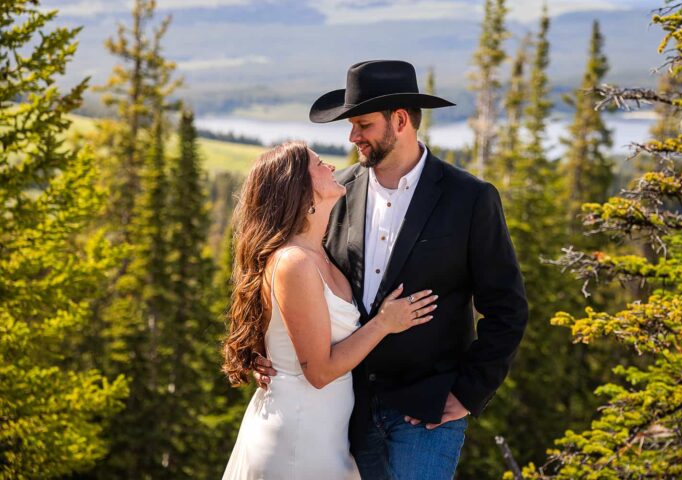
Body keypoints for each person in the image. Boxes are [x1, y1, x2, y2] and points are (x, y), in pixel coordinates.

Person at [254, 60, 529, 479]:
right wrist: (261, 348)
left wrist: (469, 392)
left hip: (426, 412)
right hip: (345, 408)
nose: (352, 136)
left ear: (399, 120)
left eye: (362, 124)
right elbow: (286, 268)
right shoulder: (334, 194)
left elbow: (507, 307)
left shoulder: (469, 199)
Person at [221, 141, 438, 479]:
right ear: (300, 188)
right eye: (320, 164)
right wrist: (384, 323)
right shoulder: (294, 262)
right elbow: (319, 372)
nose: (332, 167)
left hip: (325, 435)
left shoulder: (320, 254)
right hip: (297, 437)